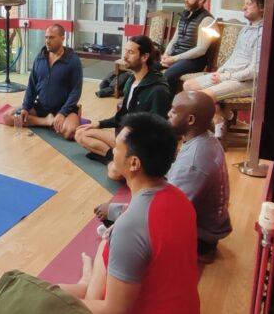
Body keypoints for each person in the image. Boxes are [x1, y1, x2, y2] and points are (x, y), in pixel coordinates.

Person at [59, 113, 200, 314]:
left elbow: (114, 310)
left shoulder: (131, 225)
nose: (113, 151)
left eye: (117, 147)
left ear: (134, 163)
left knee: (39, 300)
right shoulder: (180, 199)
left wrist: (50, 306)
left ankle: (85, 285)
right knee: (105, 245)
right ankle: (86, 284)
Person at [100, 91, 232, 261]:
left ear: (190, 120)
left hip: (201, 238)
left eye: (175, 111)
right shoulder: (207, 139)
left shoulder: (192, 163)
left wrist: (116, 212)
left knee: (121, 235)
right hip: (208, 226)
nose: (168, 113)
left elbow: (167, 212)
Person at [183, 0, 269, 132]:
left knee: (205, 96)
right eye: (245, 3)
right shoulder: (246, 29)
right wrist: (220, 72)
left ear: (262, 7)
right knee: (189, 86)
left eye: (249, 4)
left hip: (246, 82)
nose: (244, 7)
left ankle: (211, 129)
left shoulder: (263, 34)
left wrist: (225, 76)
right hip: (228, 75)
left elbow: (254, 71)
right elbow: (234, 56)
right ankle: (222, 116)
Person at [75, 35, 171, 163]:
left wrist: (129, 135)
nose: (125, 56)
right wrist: (99, 124)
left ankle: (120, 161)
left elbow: (158, 130)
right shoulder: (131, 80)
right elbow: (122, 116)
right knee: (80, 133)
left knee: (114, 173)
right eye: (125, 51)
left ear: (144, 57)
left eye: (130, 52)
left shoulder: (159, 90)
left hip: (141, 146)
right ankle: (114, 158)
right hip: (126, 138)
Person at [2, 24, 84, 140]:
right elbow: (32, 85)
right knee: (8, 117)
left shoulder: (73, 60)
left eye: (51, 37)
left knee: (70, 132)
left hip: (65, 109)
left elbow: (76, 91)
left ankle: (70, 115)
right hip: (42, 107)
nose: (47, 41)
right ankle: (46, 121)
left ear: (62, 38)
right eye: (46, 37)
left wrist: (62, 113)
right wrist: (26, 107)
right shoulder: (40, 58)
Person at [160, 0, 215, 95]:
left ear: (201, 0)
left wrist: (174, 59)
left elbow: (201, 50)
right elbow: (174, 40)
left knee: (167, 75)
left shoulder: (207, 20)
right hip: (176, 56)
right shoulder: (184, 16)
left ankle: (167, 109)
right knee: (148, 68)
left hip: (194, 61)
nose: (186, 0)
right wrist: (166, 54)